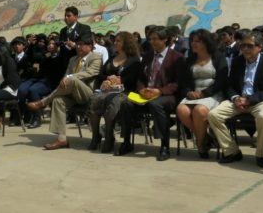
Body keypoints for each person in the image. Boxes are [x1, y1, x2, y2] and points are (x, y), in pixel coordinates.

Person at [207, 31, 263, 167]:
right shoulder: (237, 61)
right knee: (213, 115)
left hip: (259, 101)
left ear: (259, 47)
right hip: (238, 100)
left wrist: (250, 100)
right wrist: (235, 98)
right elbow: (229, 85)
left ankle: (260, 154)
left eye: (249, 46)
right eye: (243, 46)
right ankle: (232, 151)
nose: (245, 49)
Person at [118, 27, 186, 161]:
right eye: (150, 39)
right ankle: (126, 142)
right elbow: (141, 78)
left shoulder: (177, 57)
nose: (152, 42)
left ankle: (164, 145)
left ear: (165, 39)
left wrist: (160, 91)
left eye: (155, 39)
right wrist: (142, 89)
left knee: (156, 104)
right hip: (146, 94)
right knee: (126, 103)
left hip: (166, 96)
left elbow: (178, 83)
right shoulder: (148, 55)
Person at [27, 35, 102, 150]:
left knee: (71, 79)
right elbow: (65, 76)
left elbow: (90, 73)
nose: (78, 47)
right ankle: (62, 140)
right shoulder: (73, 59)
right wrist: (67, 78)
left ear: (90, 46)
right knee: (58, 101)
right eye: (77, 44)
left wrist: (70, 77)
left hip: (86, 93)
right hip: (71, 94)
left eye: (81, 44)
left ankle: (43, 102)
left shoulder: (96, 57)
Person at [176, 29, 228, 158]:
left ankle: (200, 144)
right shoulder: (189, 60)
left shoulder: (218, 57)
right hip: (193, 95)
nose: (194, 44)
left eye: (198, 41)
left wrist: (204, 93)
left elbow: (222, 81)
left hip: (213, 93)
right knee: (181, 110)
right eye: (192, 41)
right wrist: (188, 92)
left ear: (206, 42)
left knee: (199, 111)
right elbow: (184, 82)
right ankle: (206, 137)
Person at [87, 32, 140, 154]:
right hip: (107, 89)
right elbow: (101, 74)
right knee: (95, 100)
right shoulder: (112, 57)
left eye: (118, 41)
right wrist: (107, 79)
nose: (115, 43)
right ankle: (96, 136)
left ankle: (109, 136)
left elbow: (134, 78)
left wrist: (120, 80)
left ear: (126, 43)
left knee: (112, 101)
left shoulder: (134, 60)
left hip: (125, 91)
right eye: (115, 41)